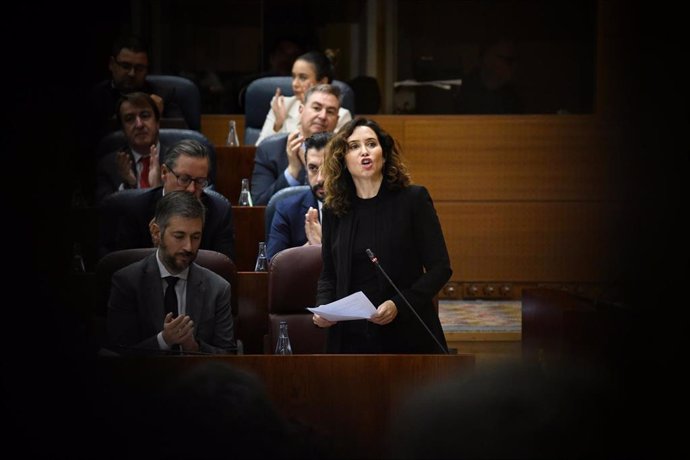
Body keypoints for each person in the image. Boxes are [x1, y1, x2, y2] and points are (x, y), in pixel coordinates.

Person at [313, 117, 451, 354]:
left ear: (384, 155)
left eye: (371, 144)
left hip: (406, 331)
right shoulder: (334, 210)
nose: (364, 152)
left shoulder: (413, 200)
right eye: (354, 146)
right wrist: (323, 307)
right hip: (350, 337)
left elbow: (441, 268)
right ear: (343, 160)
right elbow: (329, 275)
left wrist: (399, 304)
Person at [106, 190, 235, 355]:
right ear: (156, 232)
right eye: (179, 236)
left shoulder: (218, 288)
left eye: (196, 237)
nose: (189, 247)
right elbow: (118, 354)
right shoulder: (127, 282)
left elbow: (229, 356)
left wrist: (193, 347)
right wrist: (164, 340)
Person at [99, 138, 236, 261]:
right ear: (164, 173)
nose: (192, 189)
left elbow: (222, 268)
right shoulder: (135, 210)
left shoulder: (219, 212)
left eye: (200, 181)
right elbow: (124, 269)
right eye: (184, 179)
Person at [250, 83, 341, 205]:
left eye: (330, 112)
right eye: (316, 108)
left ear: (337, 119)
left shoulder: (344, 153)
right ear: (301, 110)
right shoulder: (269, 150)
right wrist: (292, 170)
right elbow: (259, 207)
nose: (323, 116)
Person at [90, 33, 185, 142]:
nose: (132, 73)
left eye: (139, 68)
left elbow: (182, 138)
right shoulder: (96, 96)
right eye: (125, 66)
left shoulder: (163, 94)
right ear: (112, 64)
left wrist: (158, 116)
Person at [254, 50, 352, 146]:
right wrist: (278, 125)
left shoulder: (341, 115)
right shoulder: (281, 105)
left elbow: (335, 154)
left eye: (303, 77)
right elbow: (259, 150)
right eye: (293, 77)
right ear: (301, 109)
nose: (295, 84)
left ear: (322, 82)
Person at [266, 132, 332, 260]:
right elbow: (273, 266)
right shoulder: (287, 209)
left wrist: (324, 247)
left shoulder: (358, 207)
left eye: (329, 168)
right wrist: (310, 248)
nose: (320, 179)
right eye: (313, 168)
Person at [94, 92, 164, 204]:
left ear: (157, 123)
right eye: (129, 119)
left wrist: (158, 190)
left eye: (145, 116)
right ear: (123, 129)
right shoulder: (109, 166)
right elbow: (105, 213)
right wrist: (128, 188)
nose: (139, 124)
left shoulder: (179, 160)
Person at [453, 37, 523, 114]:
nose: (513, 66)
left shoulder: (511, 97)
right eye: (507, 60)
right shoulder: (462, 90)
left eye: (515, 60)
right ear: (486, 58)